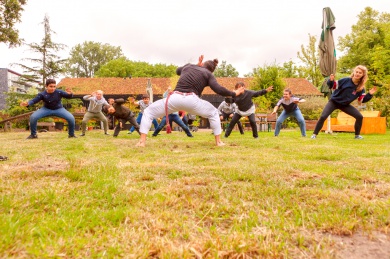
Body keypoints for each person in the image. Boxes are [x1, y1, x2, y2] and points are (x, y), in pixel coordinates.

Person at [135, 56, 244, 147]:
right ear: (211, 70)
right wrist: (234, 93)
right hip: (192, 100)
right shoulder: (208, 74)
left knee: (148, 112)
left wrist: (195, 65)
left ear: (203, 64)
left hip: (175, 98)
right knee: (214, 113)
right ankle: (218, 141)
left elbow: (177, 71)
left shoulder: (188, 66)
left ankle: (142, 141)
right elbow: (218, 89)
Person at [311, 65, 378, 139]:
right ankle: (314, 134)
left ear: (363, 75)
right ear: (354, 72)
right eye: (356, 72)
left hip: (345, 105)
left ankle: (357, 135)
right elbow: (332, 86)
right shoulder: (345, 80)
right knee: (323, 116)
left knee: (359, 117)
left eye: (360, 73)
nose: (357, 74)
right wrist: (331, 81)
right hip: (334, 102)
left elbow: (362, 100)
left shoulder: (361, 88)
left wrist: (369, 94)